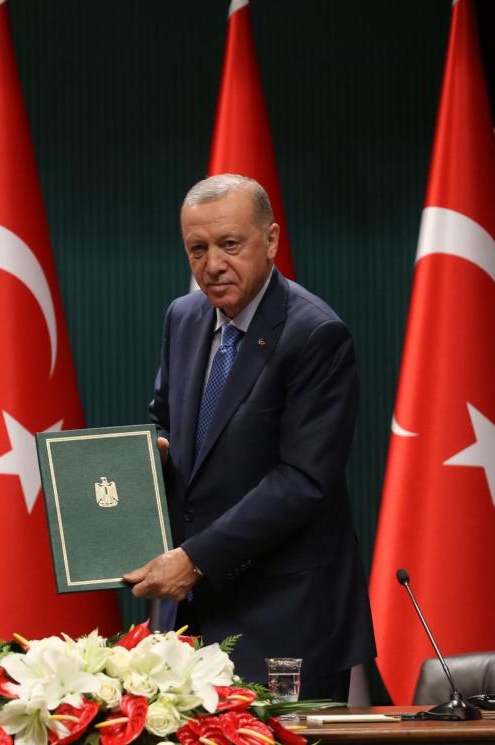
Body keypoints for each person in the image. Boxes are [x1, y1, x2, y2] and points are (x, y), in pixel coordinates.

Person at [123, 174, 375, 701]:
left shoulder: (316, 334)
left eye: (229, 244)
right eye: (197, 248)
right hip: (194, 618)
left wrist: (193, 560)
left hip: (286, 617)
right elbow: (167, 419)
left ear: (272, 240)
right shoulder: (184, 317)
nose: (212, 264)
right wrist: (159, 453)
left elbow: (303, 480)